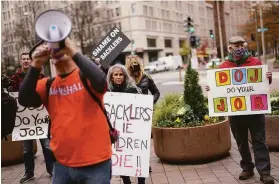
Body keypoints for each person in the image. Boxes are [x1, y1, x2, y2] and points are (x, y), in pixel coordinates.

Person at [18, 38, 112, 184]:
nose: (57, 50)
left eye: (62, 47)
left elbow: (101, 81)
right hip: (62, 165)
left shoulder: (85, 78)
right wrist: (36, 63)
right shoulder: (48, 85)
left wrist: (72, 49)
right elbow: (24, 99)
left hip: (96, 164)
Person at [206, 36, 274, 184]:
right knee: (241, 141)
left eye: (241, 45)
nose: (239, 48)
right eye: (235, 45)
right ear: (229, 48)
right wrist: (211, 88)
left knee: (259, 140)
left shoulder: (255, 62)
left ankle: (265, 172)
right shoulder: (223, 67)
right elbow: (219, 88)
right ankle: (247, 168)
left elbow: (262, 84)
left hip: (255, 111)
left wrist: (268, 77)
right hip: (235, 113)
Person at [9, 52, 54, 184]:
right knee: (27, 148)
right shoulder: (15, 78)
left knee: (46, 145)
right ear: (20, 61)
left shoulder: (40, 76)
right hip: (25, 121)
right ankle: (29, 173)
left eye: (28, 59)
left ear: (31, 60)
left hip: (40, 118)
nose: (26, 61)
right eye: (23, 59)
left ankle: (51, 170)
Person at [106, 64, 142, 184]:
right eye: (116, 74)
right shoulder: (107, 92)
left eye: (121, 74)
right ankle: (126, 181)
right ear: (111, 77)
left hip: (133, 130)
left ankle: (141, 181)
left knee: (138, 157)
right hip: (118, 132)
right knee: (122, 158)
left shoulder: (132, 89)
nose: (118, 77)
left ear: (125, 76)